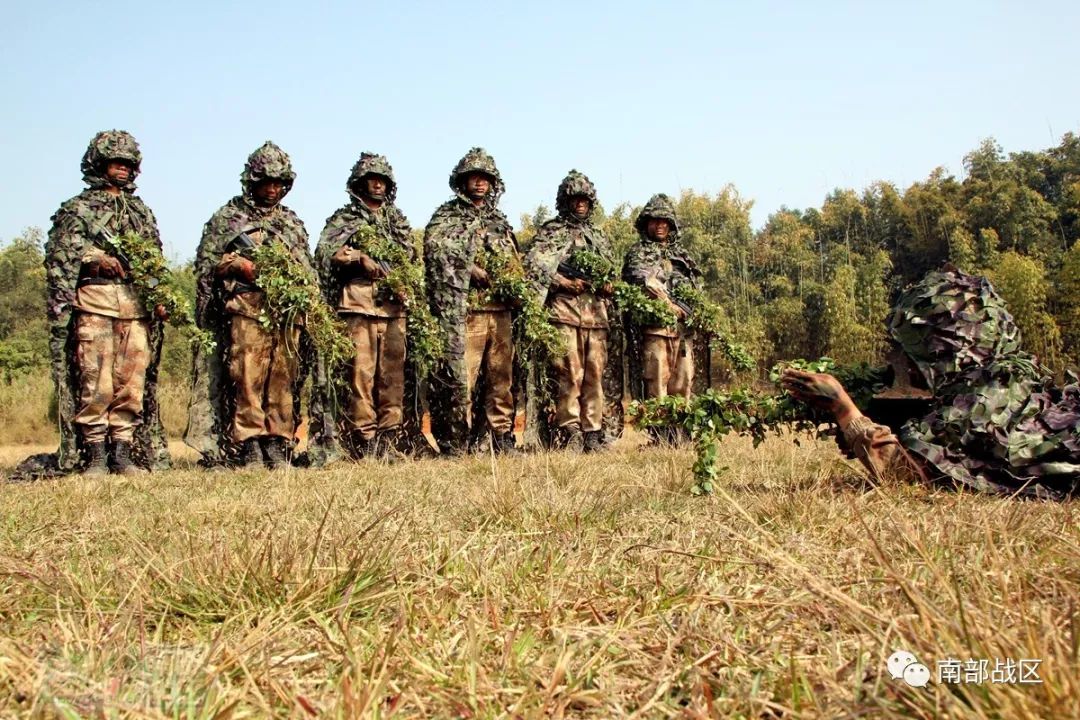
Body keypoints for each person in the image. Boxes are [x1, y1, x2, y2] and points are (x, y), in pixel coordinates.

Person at [782, 267, 1080, 500]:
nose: (909, 368)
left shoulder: (989, 393)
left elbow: (904, 473)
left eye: (916, 354)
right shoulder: (1012, 381)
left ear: (946, 349)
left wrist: (845, 410)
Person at [37, 130, 170, 476]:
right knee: (96, 380)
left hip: (134, 306)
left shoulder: (140, 211)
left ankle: (122, 453)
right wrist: (95, 257)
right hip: (95, 302)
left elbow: (154, 259)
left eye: (128, 163)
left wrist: (159, 297)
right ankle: (96, 453)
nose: (123, 169)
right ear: (100, 164)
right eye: (116, 162)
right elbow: (61, 254)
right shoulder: (78, 209)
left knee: (131, 382)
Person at [185, 141, 319, 469]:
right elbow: (207, 267)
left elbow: (307, 268)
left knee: (283, 379)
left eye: (278, 183)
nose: (272, 189)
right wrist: (237, 264)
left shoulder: (291, 222)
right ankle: (250, 442)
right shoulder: (228, 218)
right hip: (246, 308)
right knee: (247, 377)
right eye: (266, 182)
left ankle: (278, 441)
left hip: (287, 314)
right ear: (253, 181)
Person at [315, 152, 427, 460]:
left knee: (392, 375)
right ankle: (364, 437)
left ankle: (388, 438)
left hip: (393, 307)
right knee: (361, 374)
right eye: (371, 181)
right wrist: (358, 258)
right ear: (359, 184)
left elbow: (411, 257)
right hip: (358, 305)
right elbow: (327, 253)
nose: (377, 186)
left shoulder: (397, 221)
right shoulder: (344, 218)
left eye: (382, 181)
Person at [423, 147, 520, 455]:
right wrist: (469, 268)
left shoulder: (499, 221)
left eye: (485, 178)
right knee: (461, 379)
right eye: (474, 178)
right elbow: (435, 248)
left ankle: (500, 437)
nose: (480, 184)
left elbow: (514, 259)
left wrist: (514, 280)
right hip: (468, 312)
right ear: (462, 182)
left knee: (501, 380)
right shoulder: (447, 215)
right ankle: (455, 440)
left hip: (500, 312)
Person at [522, 170, 617, 452]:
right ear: (565, 201)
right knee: (568, 373)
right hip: (563, 313)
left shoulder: (599, 236)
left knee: (594, 375)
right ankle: (570, 430)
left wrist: (608, 285)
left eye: (584, 199)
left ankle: (593, 431)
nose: (580, 204)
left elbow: (611, 271)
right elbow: (535, 267)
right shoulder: (551, 231)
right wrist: (564, 282)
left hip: (596, 316)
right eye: (574, 199)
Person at [622, 193, 703, 441]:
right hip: (655, 330)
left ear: (671, 225)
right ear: (647, 224)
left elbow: (697, 285)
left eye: (664, 222)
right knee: (657, 381)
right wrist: (669, 306)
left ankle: (681, 431)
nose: (660, 226)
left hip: (683, 332)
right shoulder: (638, 252)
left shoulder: (683, 256)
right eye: (655, 221)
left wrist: (693, 310)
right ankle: (661, 434)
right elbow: (642, 281)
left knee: (684, 379)